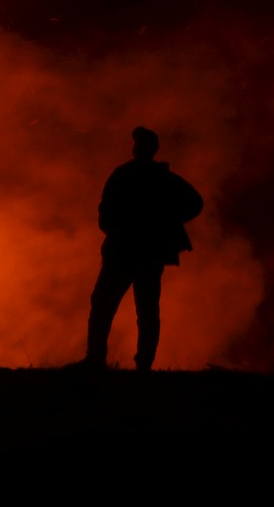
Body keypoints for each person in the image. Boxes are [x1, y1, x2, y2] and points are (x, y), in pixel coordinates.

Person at [84, 126, 204, 371]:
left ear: (141, 147)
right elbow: (194, 202)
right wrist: (166, 223)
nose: (136, 147)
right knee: (144, 309)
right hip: (147, 252)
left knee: (107, 305)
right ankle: (142, 365)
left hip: (125, 252)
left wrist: (118, 230)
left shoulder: (125, 174)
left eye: (138, 143)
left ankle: (97, 360)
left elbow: (104, 212)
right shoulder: (162, 178)